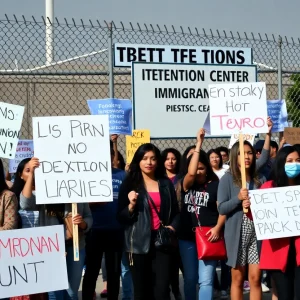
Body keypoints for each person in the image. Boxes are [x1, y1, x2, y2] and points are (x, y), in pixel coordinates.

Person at [19, 157, 93, 300]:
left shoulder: (77, 192)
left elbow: (89, 216)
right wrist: (32, 173)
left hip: (75, 246)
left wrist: (83, 223)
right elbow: (25, 203)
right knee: (54, 291)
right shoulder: (43, 192)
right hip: (51, 247)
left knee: (71, 291)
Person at [117, 143, 179, 300]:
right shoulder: (130, 183)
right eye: (144, 158)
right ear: (138, 161)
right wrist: (131, 205)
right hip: (137, 243)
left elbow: (177, 213)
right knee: (142, 291)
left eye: (152, 158)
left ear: (157, 161)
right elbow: (120, 216)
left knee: (162, 290)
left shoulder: (165, 184)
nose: (149, 162)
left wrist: (172, 227)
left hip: (162, 242)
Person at [178, 129, 226, 300]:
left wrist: (218, 228)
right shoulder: (186, 184)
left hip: (209, 237)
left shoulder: (215, 185)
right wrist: (199, 143)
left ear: (207, 169)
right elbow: (190, 173)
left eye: (201, 168)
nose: (198, 171)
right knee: (190, 279)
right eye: (195, 168)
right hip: (187, 238)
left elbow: (223, 210)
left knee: (206, 281)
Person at [218, 139, 268, 300]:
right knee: (238, 279)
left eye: (249, 153)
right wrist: (238, 199)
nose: (246, 156)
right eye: (241, 153)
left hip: (257, 234)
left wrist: (268, 134)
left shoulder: (260, 178)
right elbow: (222, 208)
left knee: (255, 278)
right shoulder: (228, 179)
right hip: (237, 235)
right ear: (234, 156)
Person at [82, 142, 126, 300]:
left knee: (114, 271)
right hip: (94, 230)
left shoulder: (121, 175)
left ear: (111, 155)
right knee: (92, 270)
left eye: (107, 154)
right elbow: (78, 202)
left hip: (116, 230)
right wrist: (93, 203)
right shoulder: (87, 176)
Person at [260, 146, 300, 300]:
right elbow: (258, 217)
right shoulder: (268, 188)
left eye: (298, 160)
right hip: (278, 252)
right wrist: (247, 207)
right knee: (285, 296)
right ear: (281, 163)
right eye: (289, 161)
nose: (294, 164)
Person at [161, 147, 183, 300]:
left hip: (178, 225)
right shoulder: (158, 178)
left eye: (173, 158)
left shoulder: (181, 178)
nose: (170, 161)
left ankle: (176, 290)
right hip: (161, 226)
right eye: (167, 158)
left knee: (176, 263)